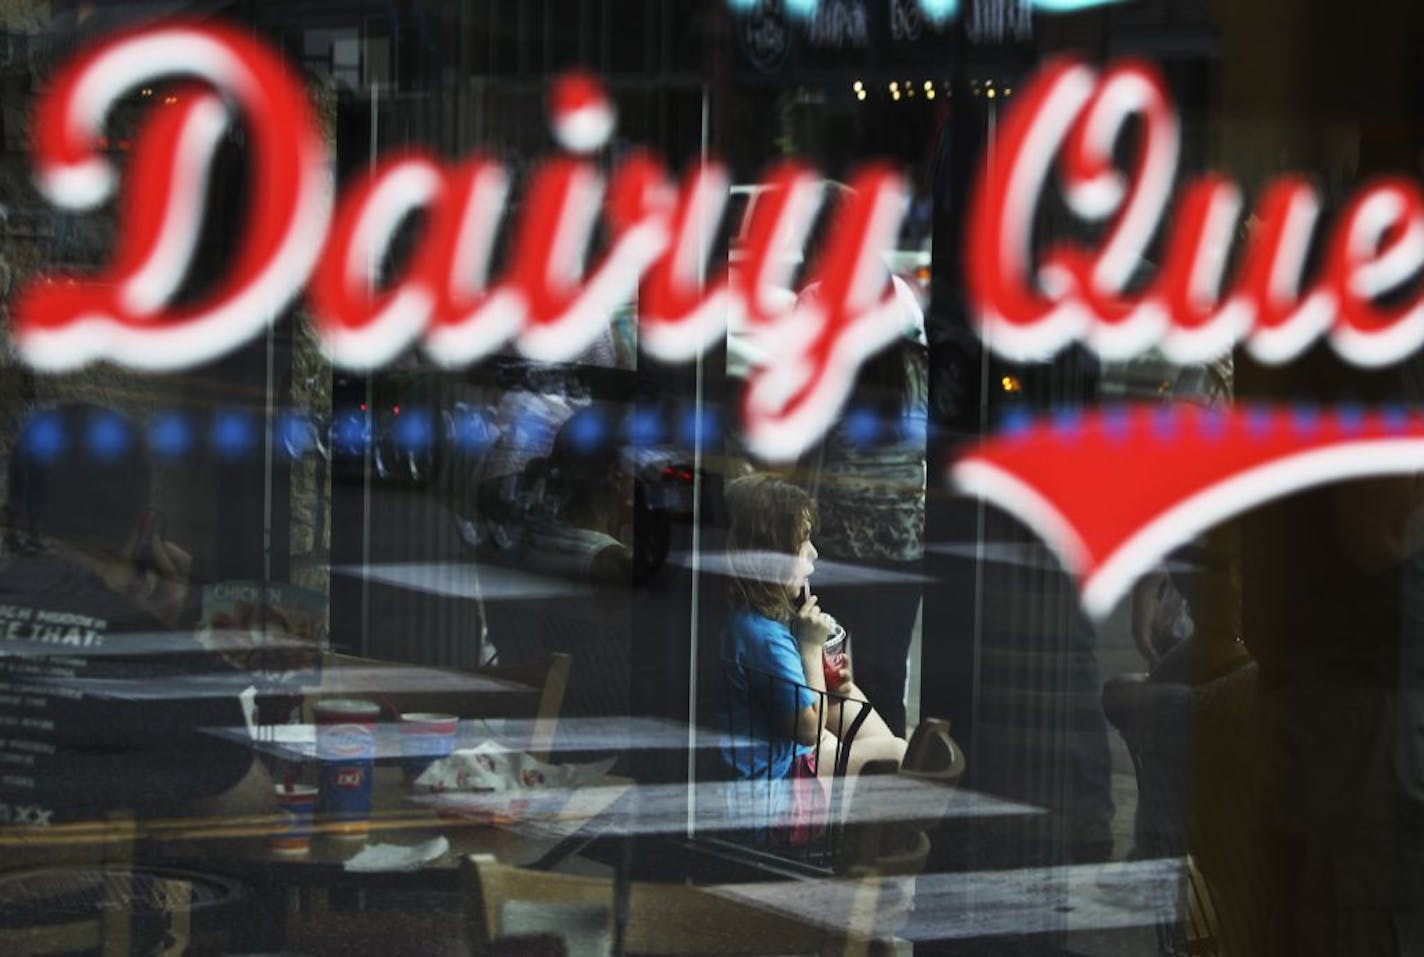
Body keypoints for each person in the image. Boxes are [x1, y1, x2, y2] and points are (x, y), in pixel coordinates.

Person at [0, 403, 270, 840]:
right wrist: (165, 632)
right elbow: (239, 799)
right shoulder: (133, 641)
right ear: (145, 530)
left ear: (14, 513)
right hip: (68, 902)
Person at [720, 473, 906, 819]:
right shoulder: (763, 637)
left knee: (874, 742)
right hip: (775, 791)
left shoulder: (758, 623)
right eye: (802, 541)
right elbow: (807, 730)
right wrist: (809, 647)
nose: (814, 552)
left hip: (786, 762)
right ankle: (874, 856)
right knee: (895, 755)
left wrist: (836, 682)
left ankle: (881, 837)